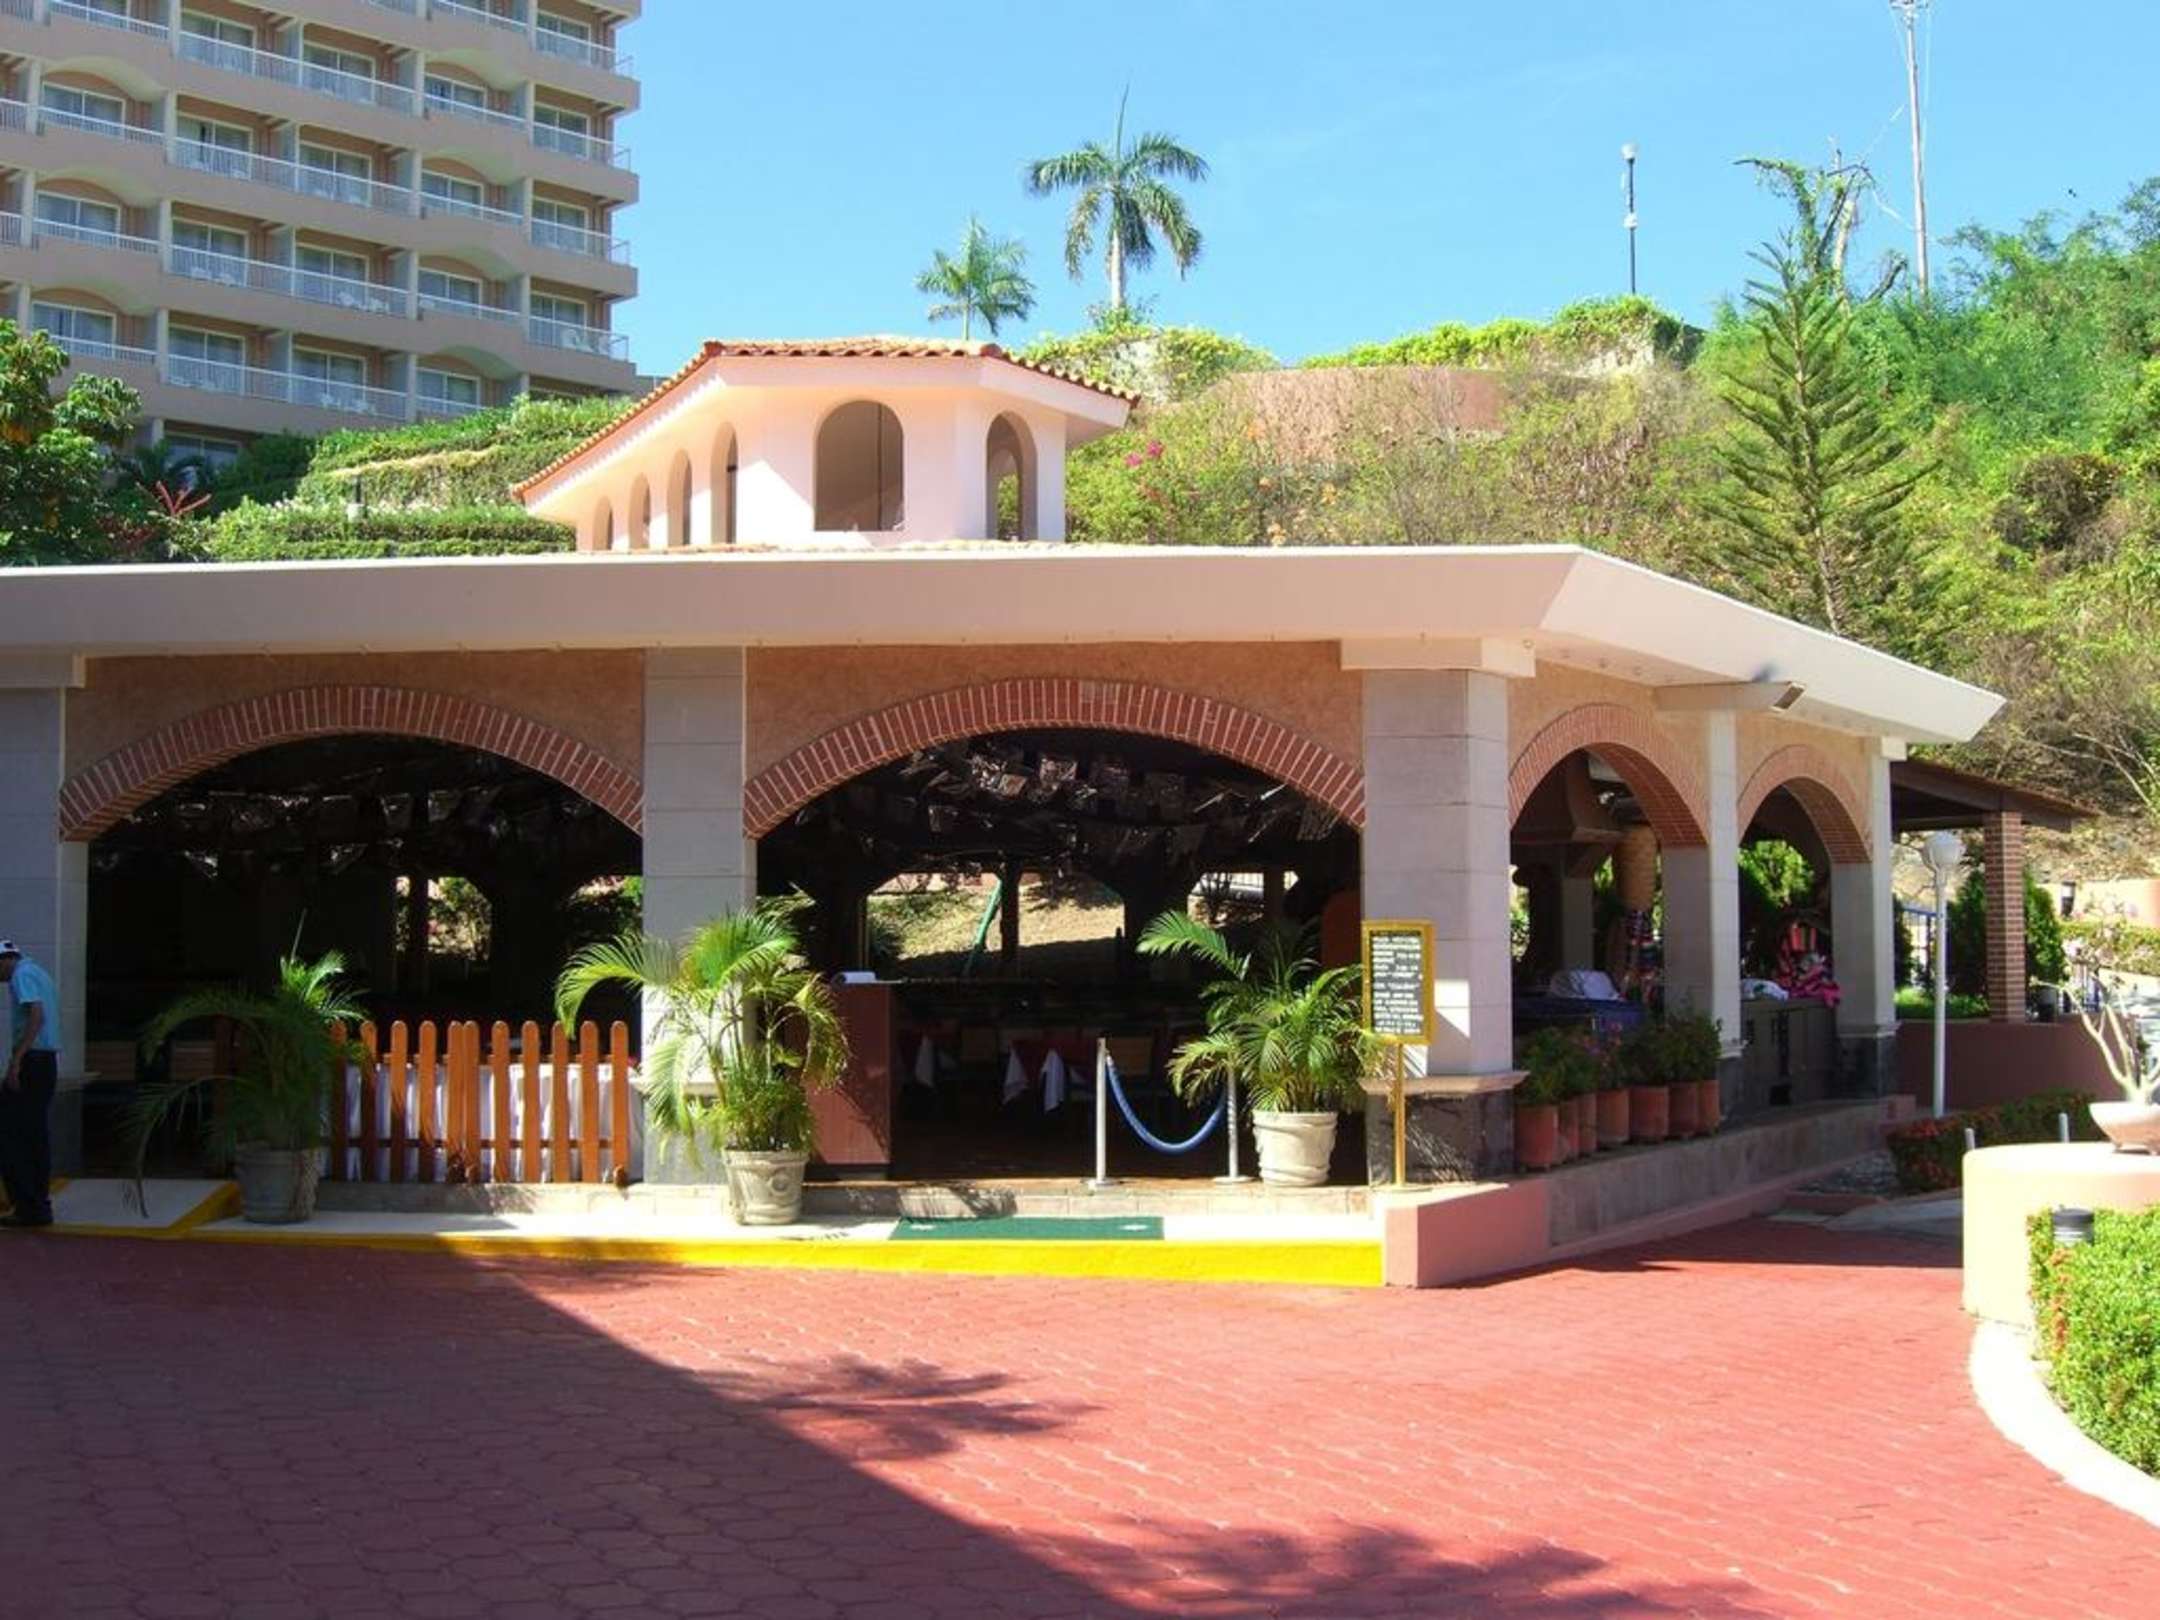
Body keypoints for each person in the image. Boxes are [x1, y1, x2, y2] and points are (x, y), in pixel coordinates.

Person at [0, 939, 59, 1229]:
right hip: (45, 1062)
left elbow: (36, 1015)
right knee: (34, 1135)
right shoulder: (38, 972)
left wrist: (17, 1060)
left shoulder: (21, 975)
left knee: (11, 1134)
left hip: (32, 1062)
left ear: (4, 960)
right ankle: (37, 1204)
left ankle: (27, 1205)